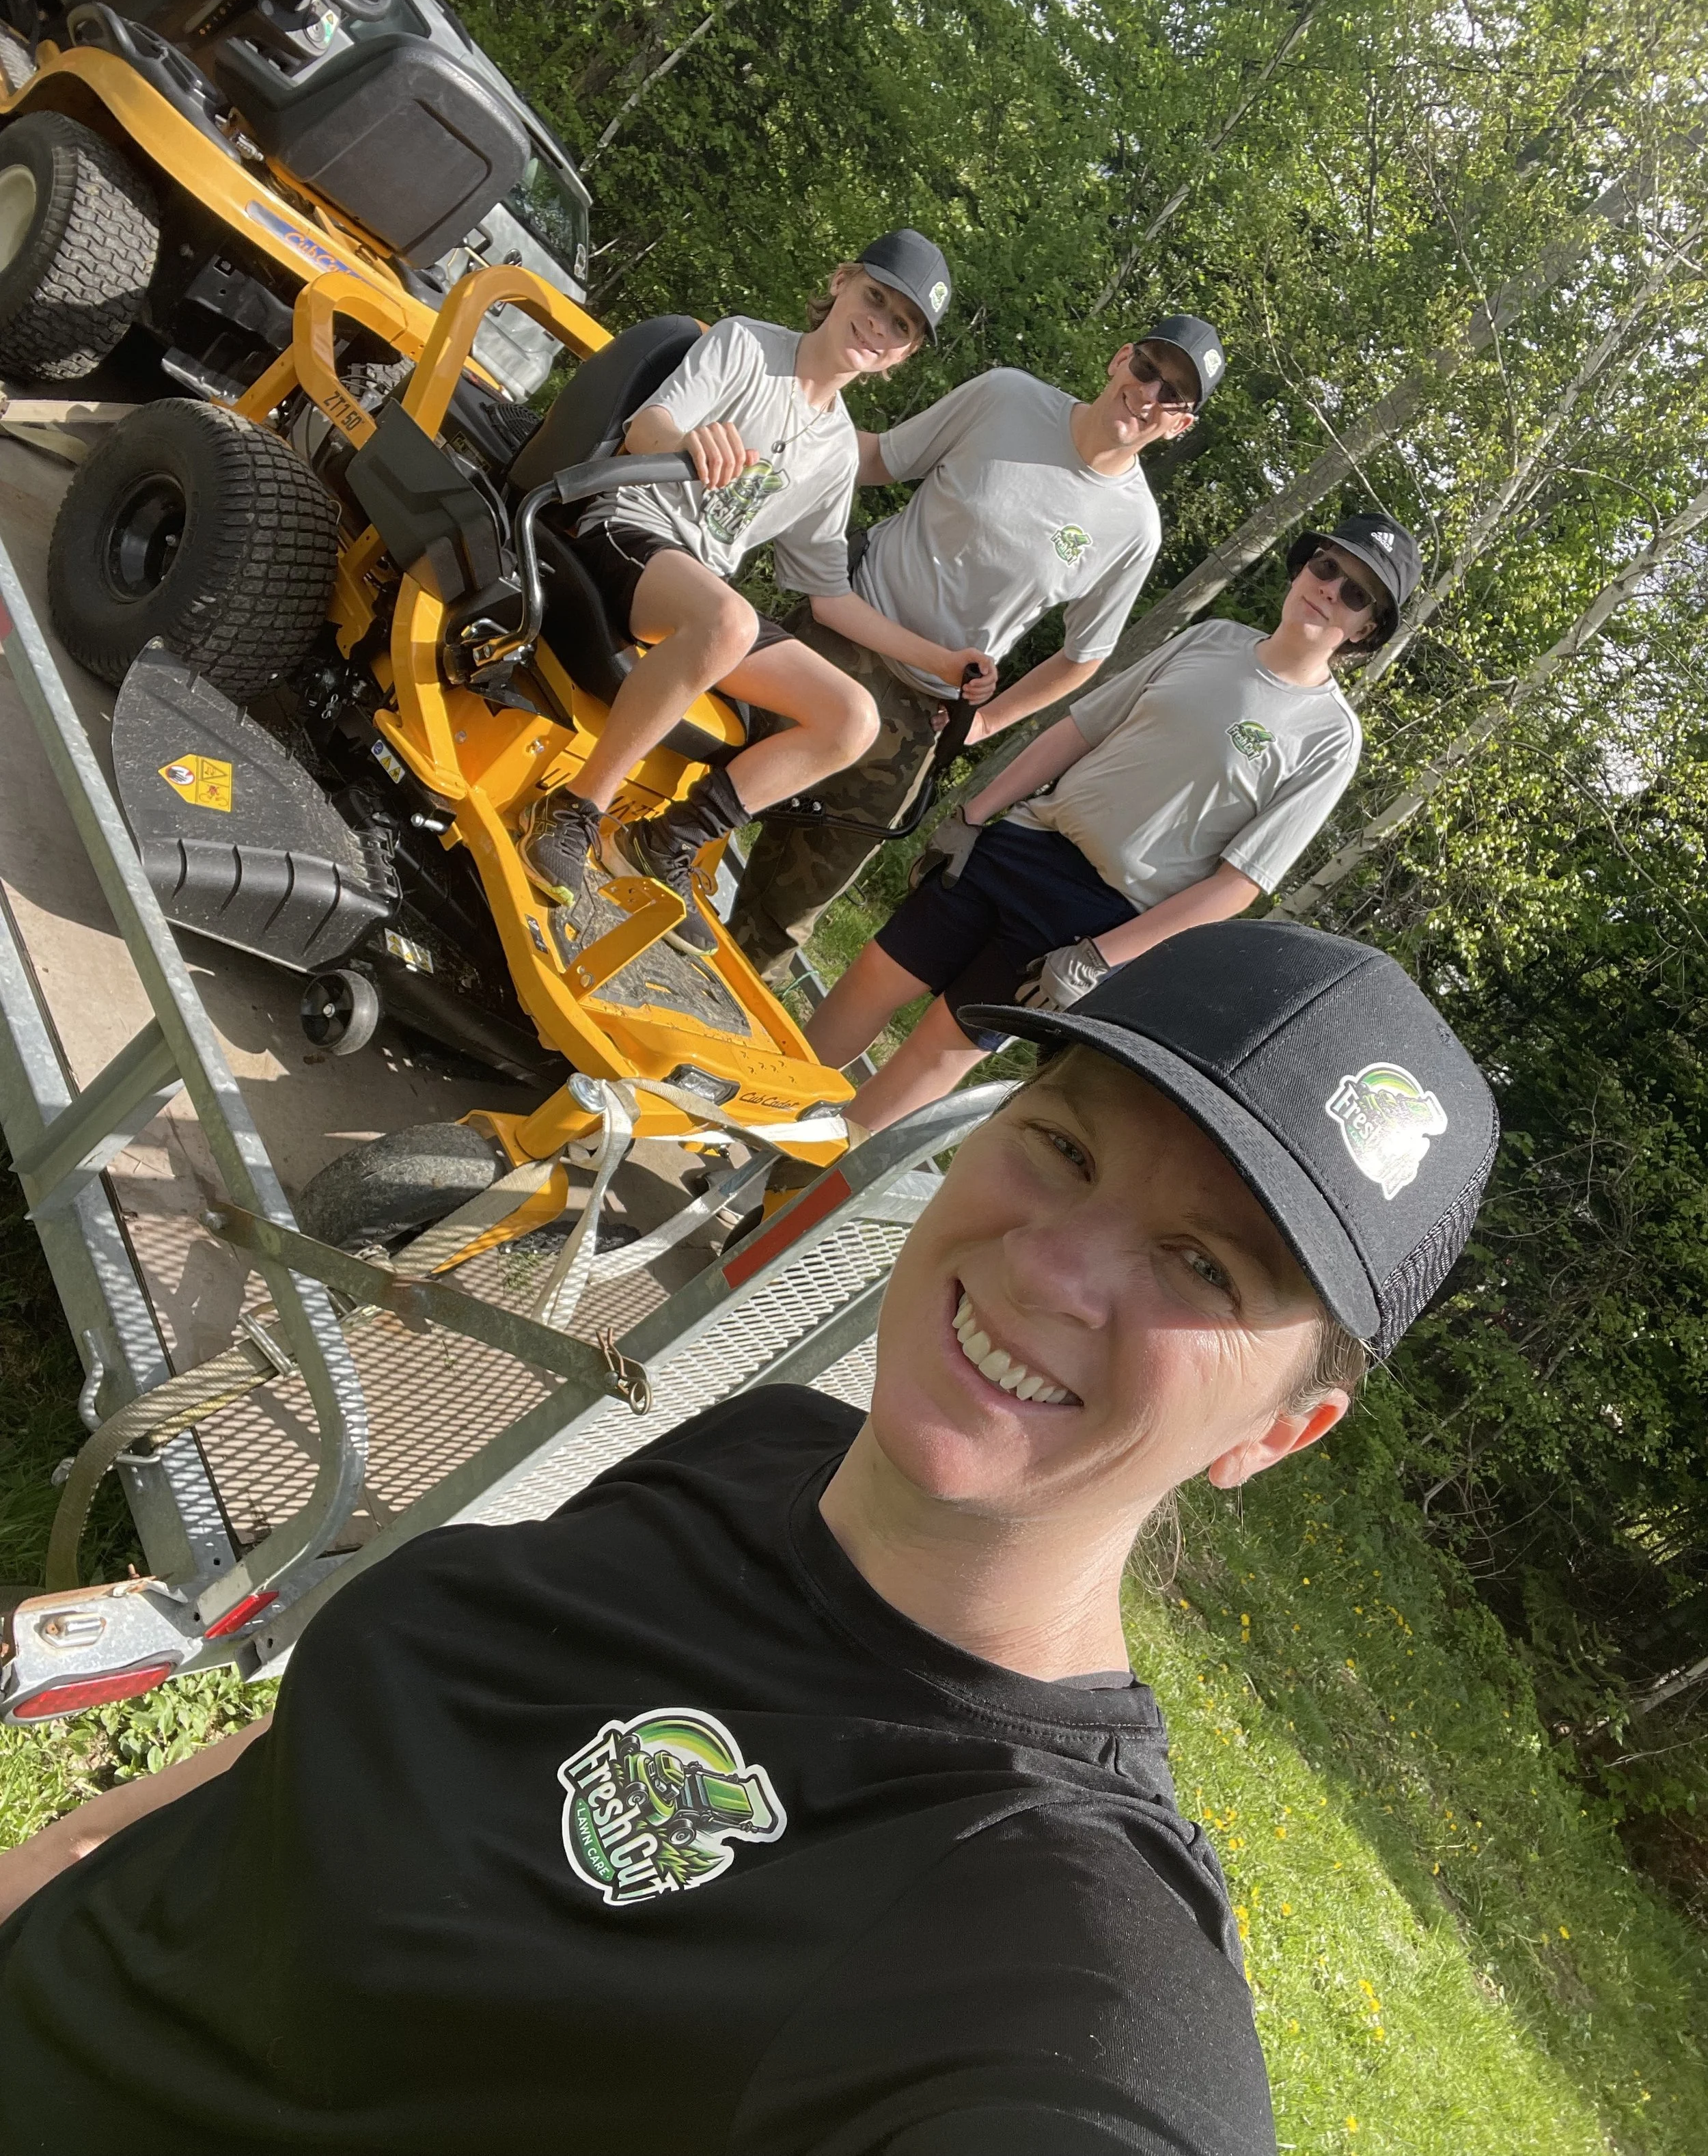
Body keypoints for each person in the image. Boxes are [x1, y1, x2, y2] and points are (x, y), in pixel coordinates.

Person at [0, 918, 1498, 2153]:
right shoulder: (768, 1443)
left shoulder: (1036, 1915)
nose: (1053, 1267)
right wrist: (61, 1852)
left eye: (1201, 1264)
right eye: (1063, 1145)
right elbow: (338, 1750)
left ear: (1275, 1433)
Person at [805, 511, 1422, 1132]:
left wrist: (1100, 958)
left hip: (1094, 920)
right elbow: (1081, 728)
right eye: (1326, 566)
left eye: (1355, 594)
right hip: (1025, 840)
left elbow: (1237, 884)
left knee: (942, 1045)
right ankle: (763, 1111)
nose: (1329, 589)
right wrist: (972, 816)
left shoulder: (1330, 738)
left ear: (1366, 630)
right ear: (1302, 568)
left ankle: (800, 1183)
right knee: (874, 977)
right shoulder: (1211, 638)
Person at [519, 229, 993, 955]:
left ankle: (665, 842)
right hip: (626, 526)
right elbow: (649, 427)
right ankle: (576, 811)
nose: (879, 326)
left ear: (903, 356)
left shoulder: (836, 451)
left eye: (900, 326)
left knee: (853, 719)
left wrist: (943, 661)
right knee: (730, 621)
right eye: (875, 299)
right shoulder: (745, 345)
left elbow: (829, 595)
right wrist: (686, 442)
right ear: (841, 282)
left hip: (703, 595)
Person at [728, 314, 1226, 983]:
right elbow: (875, 459)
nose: (1149, 394)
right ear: (1120, 359)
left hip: (916, 720)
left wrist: (985, 723)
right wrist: (768, 418)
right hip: (833, 635)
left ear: (1180, 425)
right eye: (1147, 369)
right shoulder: (1006, 397)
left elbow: (1084, 656)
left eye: (1172, 395)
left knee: (780, 918)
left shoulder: (1134, 530)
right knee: (692, 783)